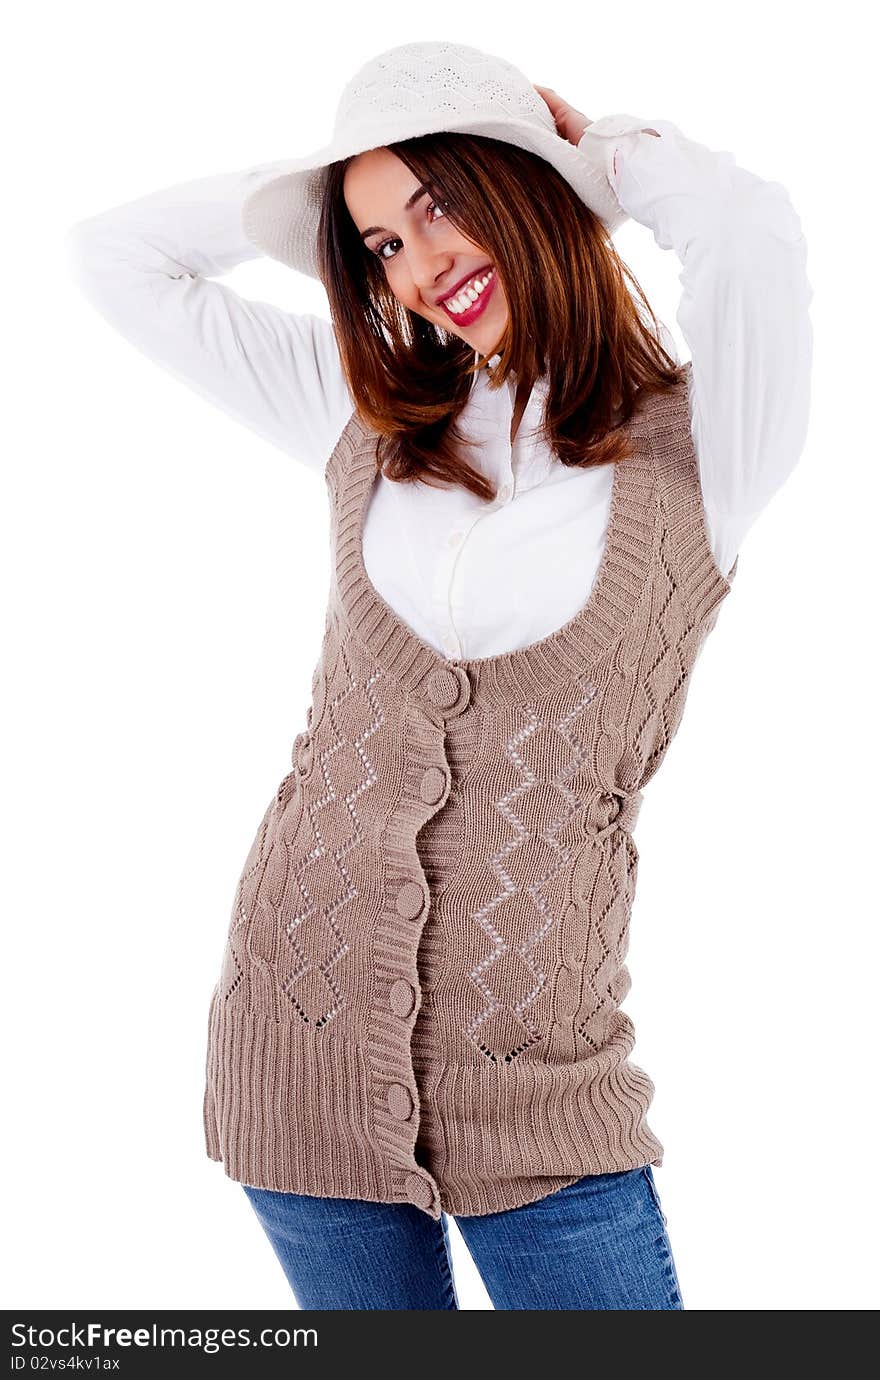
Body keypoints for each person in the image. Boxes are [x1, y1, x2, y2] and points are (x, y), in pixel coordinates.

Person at [65, 39, 813, 1311]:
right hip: (293, 1041)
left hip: (539, 1079)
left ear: (528, 184)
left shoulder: (711, 444)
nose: (422, 266)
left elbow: (748, 231)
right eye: (379, 246)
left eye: (440, 203)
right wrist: (317, 188)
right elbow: (115, 257)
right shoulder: (366, 420)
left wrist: (600, 162)